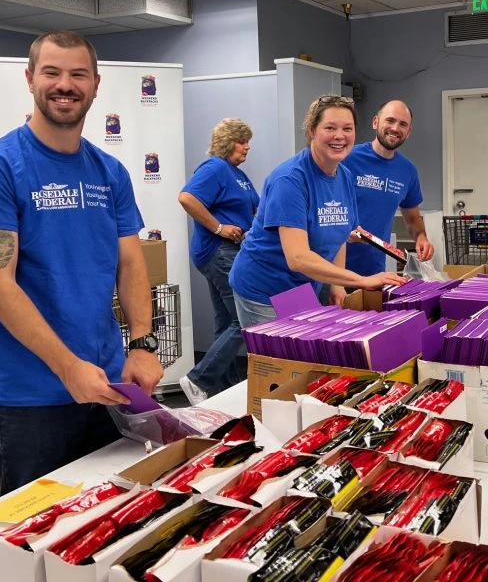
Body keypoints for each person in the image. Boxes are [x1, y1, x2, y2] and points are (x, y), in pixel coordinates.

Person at [0, 30, 163, 494]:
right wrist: (67, 366)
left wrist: (144, 343)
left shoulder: (110, 172)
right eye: (51, 72)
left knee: (108, 515)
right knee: (35, 537)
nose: (64, 84)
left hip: (108, 384)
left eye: (77, 74)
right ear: (30, 80)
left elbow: (130, 263)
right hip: (30, 396)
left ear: (95, 84)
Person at [227, 95, 409, 333]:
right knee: (278, 363)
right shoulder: (290, 180)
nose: (339, 136)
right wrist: (361, 280)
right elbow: (298, 258)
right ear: (312, 130)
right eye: (330, 128)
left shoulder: (343, 175)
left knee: (300, 358)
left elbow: (341, 235)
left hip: (302, 287)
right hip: (264, 288)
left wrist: (336, 283)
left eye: (347, 128)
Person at [177, 118, 259, 404]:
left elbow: (256, 207)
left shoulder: (237, 173)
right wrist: (218, 227)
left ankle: (223, 391)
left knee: (225, 323)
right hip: (218, 251)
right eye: (242, 141)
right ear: (227, 141)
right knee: (242, 321)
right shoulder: (215, 168)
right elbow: (187, 198)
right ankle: (198, 379)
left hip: (228, 252)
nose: (247, 147)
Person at [343, 99, 434, 276]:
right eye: (390, 120)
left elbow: (413, 218)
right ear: (375, 122)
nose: (395, 128)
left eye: (403, 124)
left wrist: (421, 237)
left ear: (408, 132)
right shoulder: (347, 158)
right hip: (334, 270)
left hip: (374, 271)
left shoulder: (408, 171)